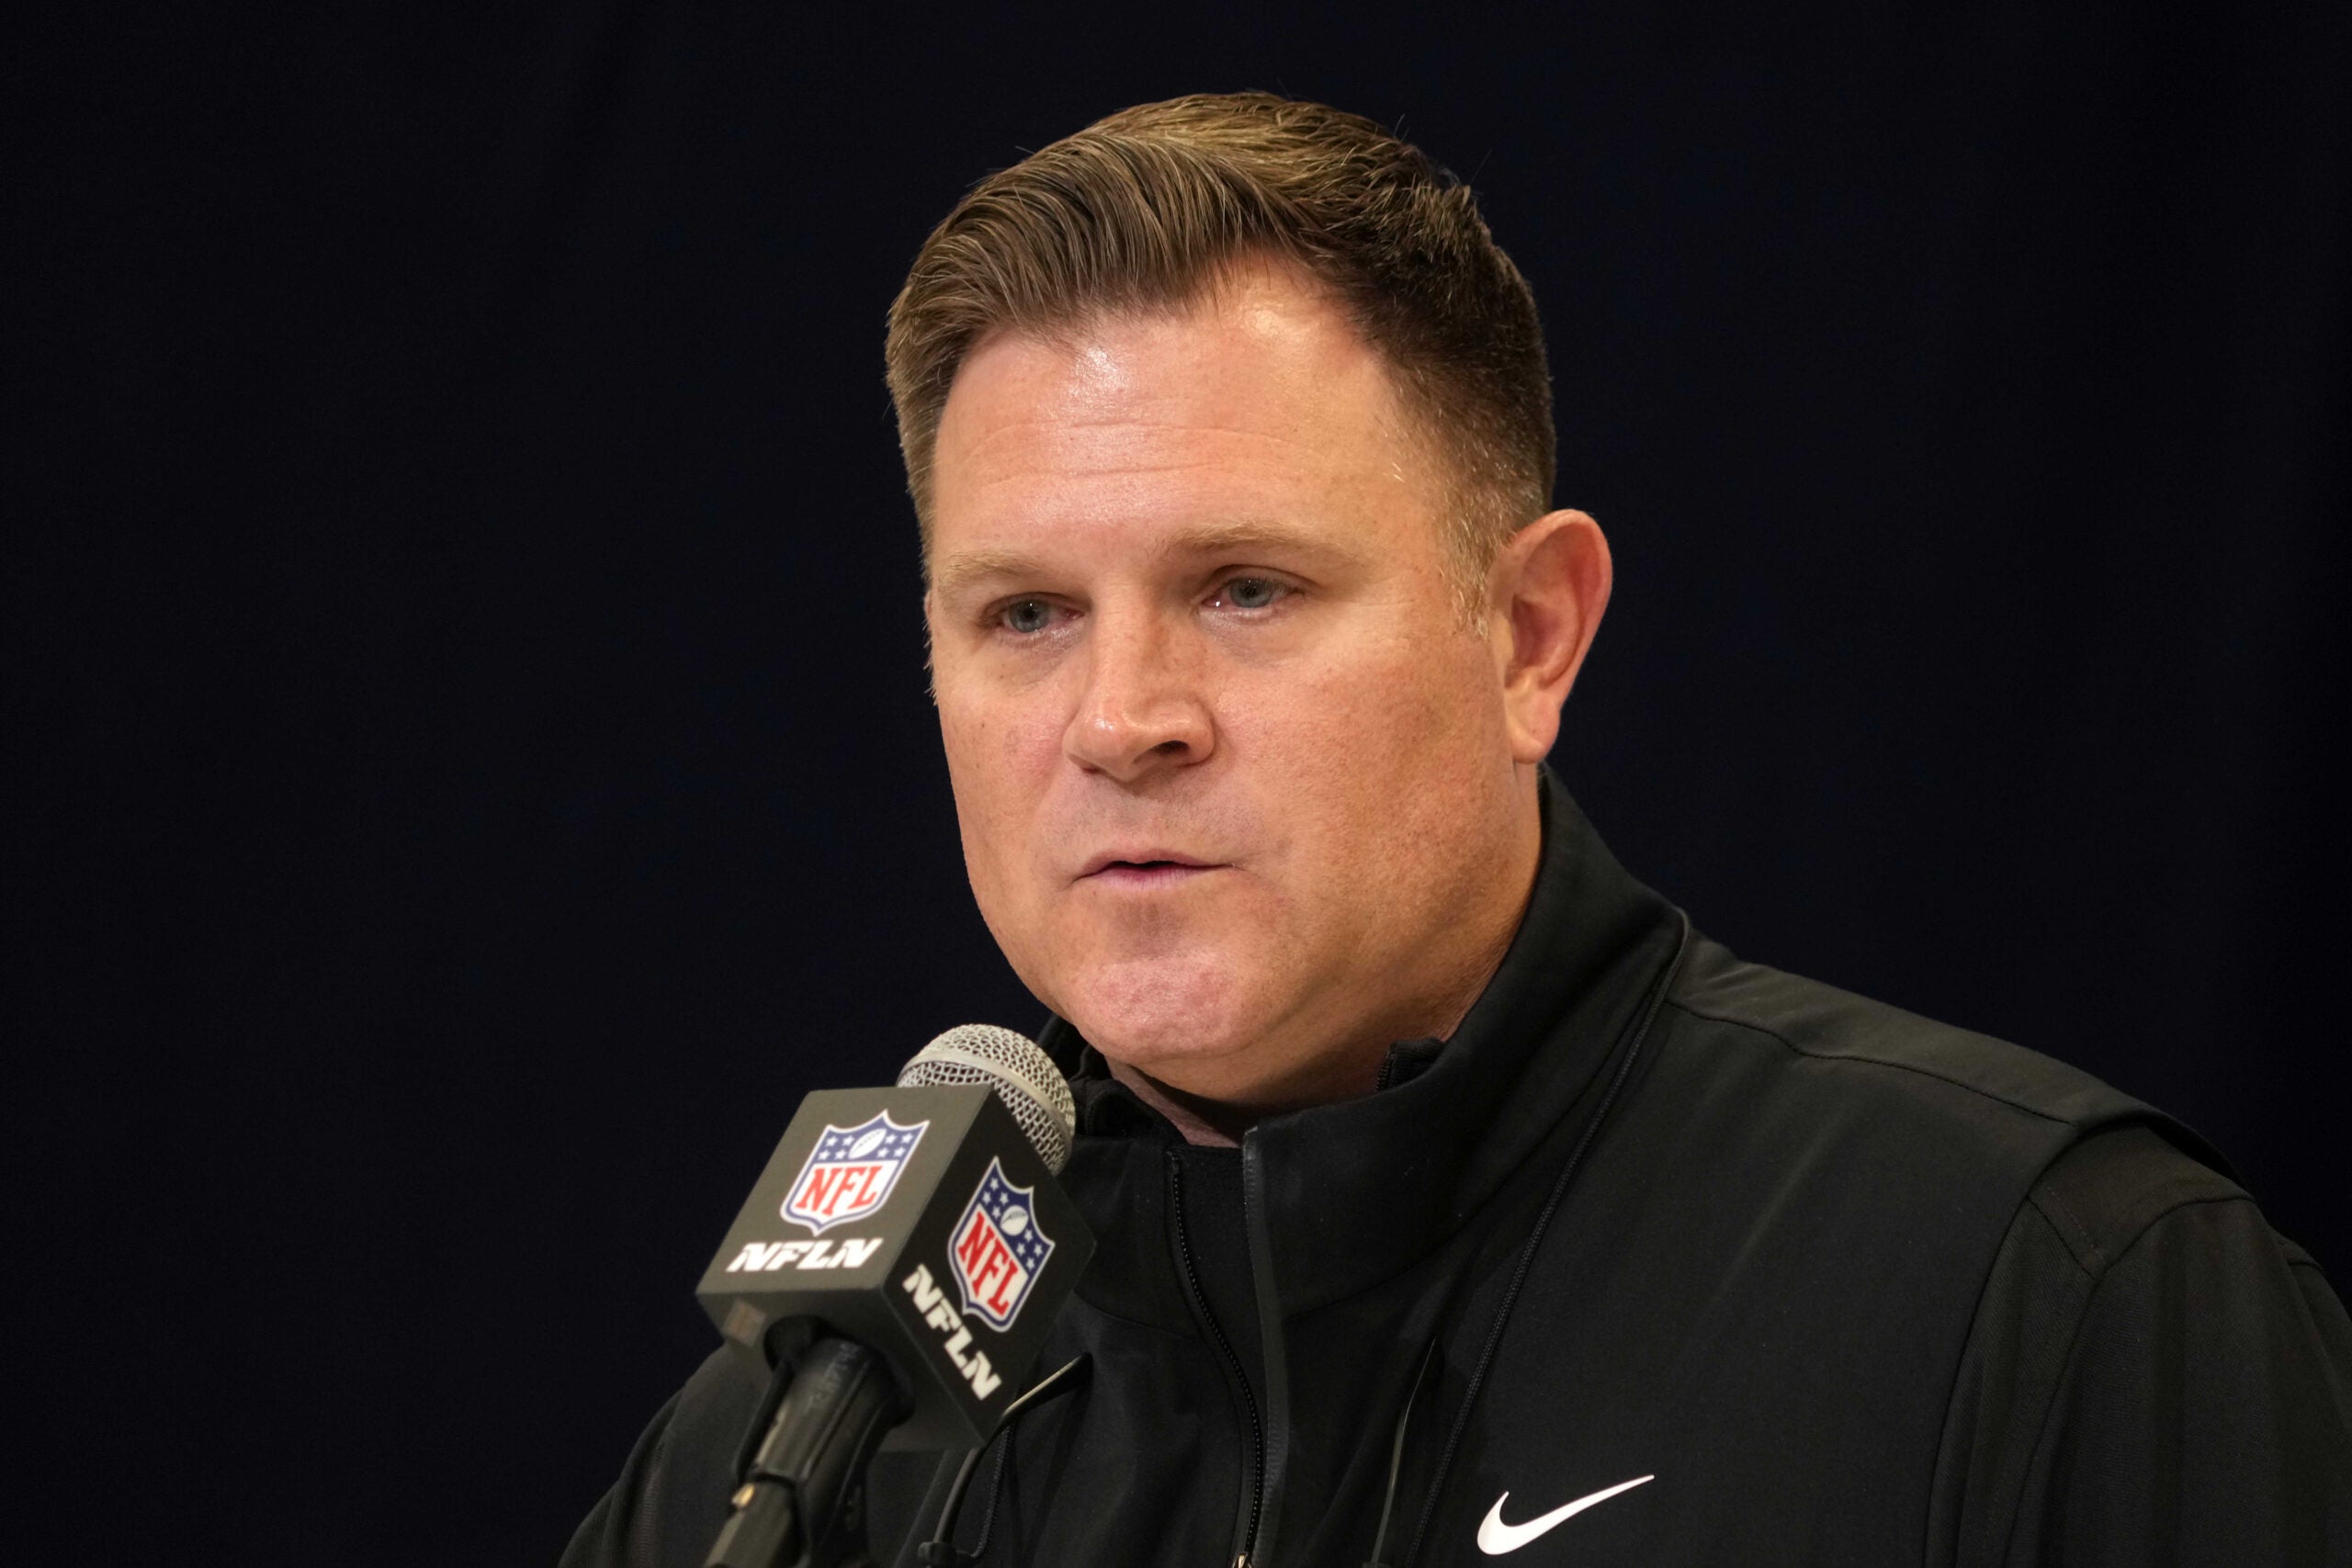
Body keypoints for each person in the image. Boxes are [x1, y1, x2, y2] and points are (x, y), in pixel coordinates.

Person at [563, 93, 2351, 1567]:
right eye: (1023, 613)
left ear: (1528, 636)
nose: (1121, 717)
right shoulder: (798, 1448)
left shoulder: (2049, 1299)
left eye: (1245, 586)